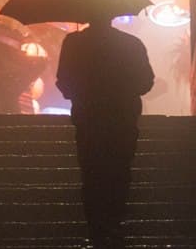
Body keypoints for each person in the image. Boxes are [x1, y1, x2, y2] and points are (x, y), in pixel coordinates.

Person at [56, 14, 155, 249]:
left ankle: (96, 228)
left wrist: (78, 93)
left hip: (88, 116)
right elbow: (145, 82)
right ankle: (115, 222)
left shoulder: (73, 43)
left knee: (91, 171)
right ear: (114, 14)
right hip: (122, 117)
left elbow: (64, 80)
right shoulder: (131, 44)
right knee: (120, 169)